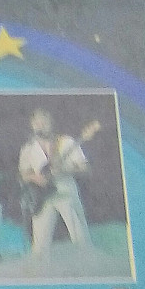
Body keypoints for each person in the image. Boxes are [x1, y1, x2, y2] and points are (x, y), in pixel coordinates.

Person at [18, 109, 92, 256]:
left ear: (51, 123)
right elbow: (23, 174)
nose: (40, 125)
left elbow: (85, 168)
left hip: (66, 192)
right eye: (37, 122)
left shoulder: (66, 141)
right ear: (32, 125)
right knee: (39, 246)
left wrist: (64, 170)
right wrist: (35, 178)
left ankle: (89, 263)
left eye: (44, 121)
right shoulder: (28, 148)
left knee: (80, 236)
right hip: (43, 197)